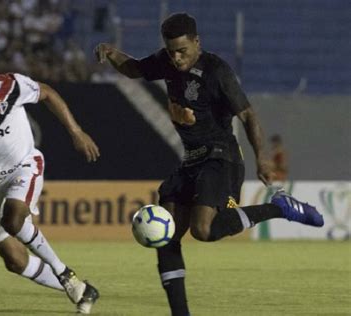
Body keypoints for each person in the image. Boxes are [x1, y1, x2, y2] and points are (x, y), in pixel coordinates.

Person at [95, 13, 324, 316]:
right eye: (172, 51)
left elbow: (248, 115)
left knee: (203, 230)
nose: (176, 59)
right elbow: (135, 69)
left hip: (221, 157)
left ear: (197, 42)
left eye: (183, 51)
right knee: (166, 234)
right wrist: (112, 52)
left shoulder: (217, 71)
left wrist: (262, 158)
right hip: (190, 159)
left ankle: (279, 208)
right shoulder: (165, 60)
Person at [0, 32, 100, 314]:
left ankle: (64, 273)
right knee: (13, 260)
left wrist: (76, 131)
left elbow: (48, 92)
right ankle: (81, 289)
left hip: (23, 165)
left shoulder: (11, 84)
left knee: (13, 219)